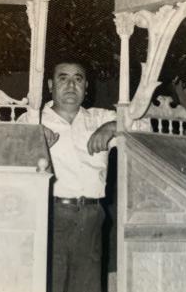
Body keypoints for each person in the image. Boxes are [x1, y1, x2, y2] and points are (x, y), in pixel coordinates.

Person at [31, 59, 118, 292]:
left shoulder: (100, 118)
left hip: (91, 216)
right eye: (63, 78)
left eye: (78, 79)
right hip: (51, 214)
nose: (71, 85)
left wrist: (112, 128)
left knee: (87, 287)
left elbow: (144, 126)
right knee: (49, 283)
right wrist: (32, 136)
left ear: (86, 86)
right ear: (50, 85)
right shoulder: (33, 120)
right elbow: (9, 145)